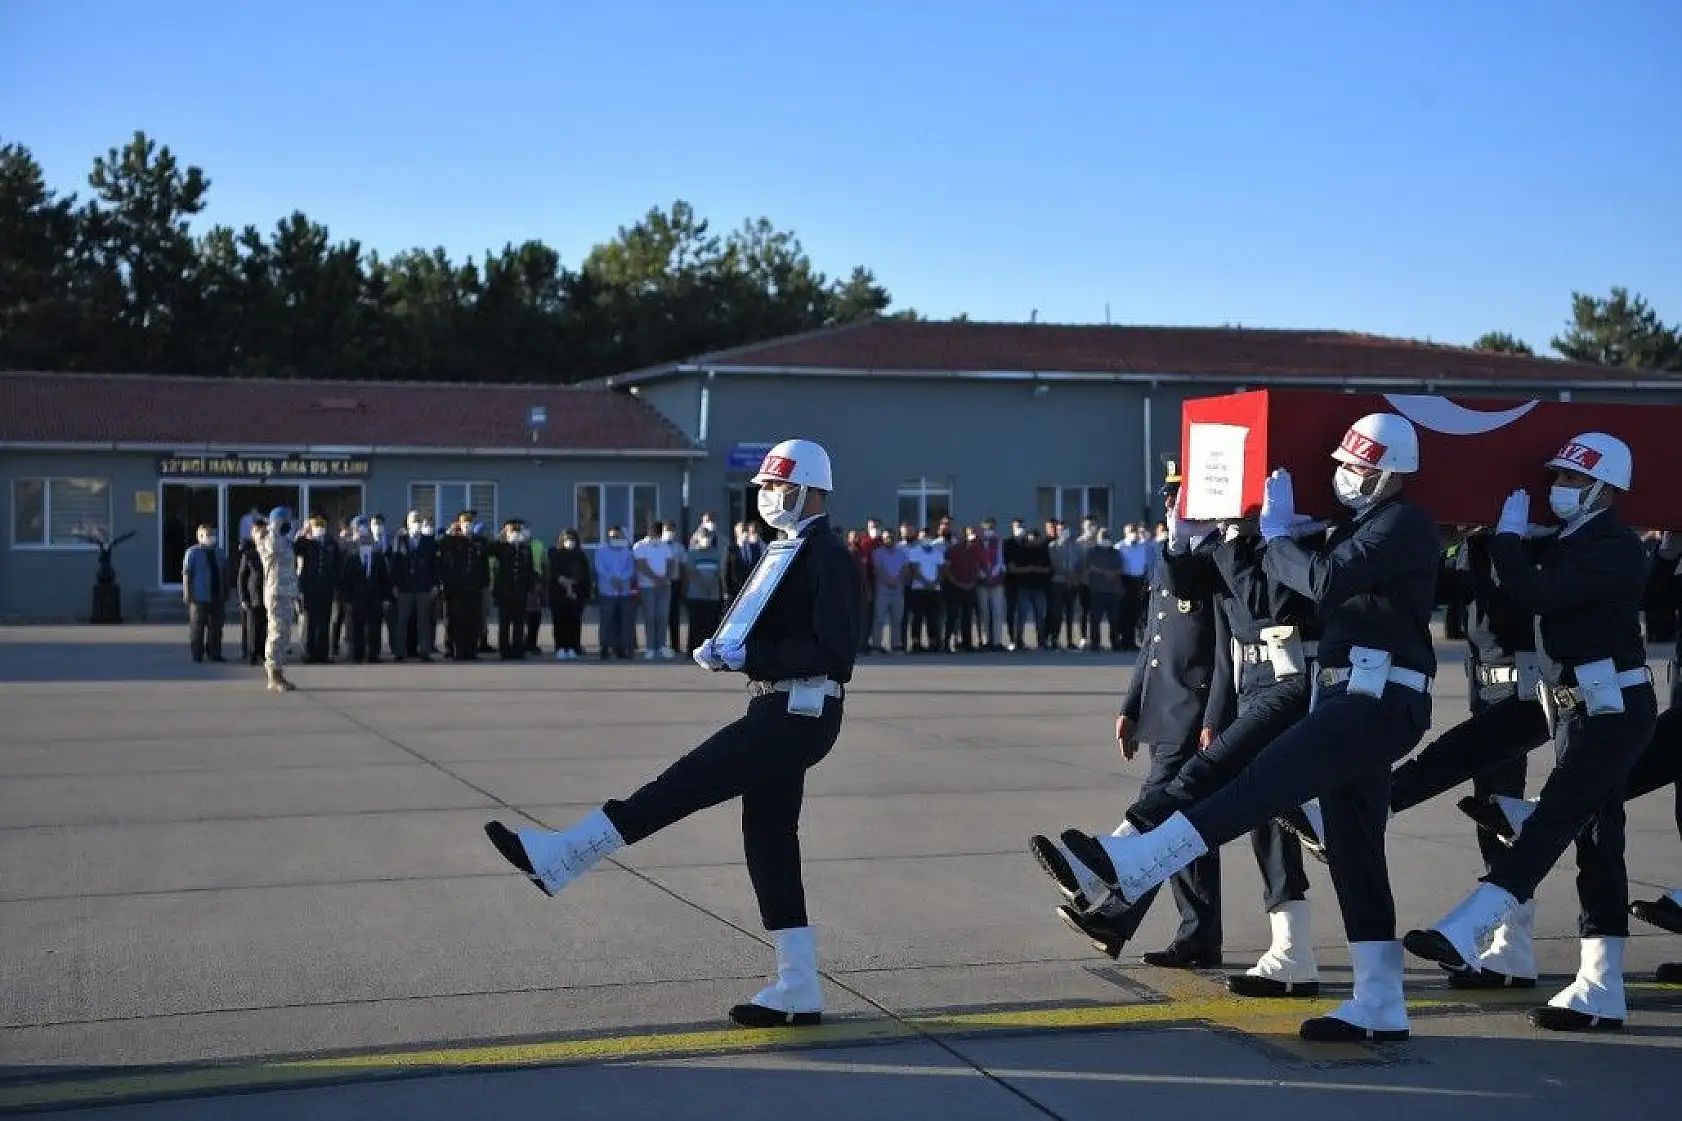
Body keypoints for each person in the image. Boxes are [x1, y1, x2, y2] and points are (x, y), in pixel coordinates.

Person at [1049, 412, 1441, 1043]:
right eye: (1343, 465)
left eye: (1360, 468)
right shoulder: (1356, 526)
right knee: (1357, 853)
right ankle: (1379, 999)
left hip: (1378, 701)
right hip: (1346, 697)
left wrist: (1279, 533)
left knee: (1259, 784)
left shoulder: (1404, 524)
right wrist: (1222, 537)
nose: (1346, 477)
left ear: (1392, 474)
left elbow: (1322, 582)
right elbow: (1257, 592)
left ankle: (1134, 862)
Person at [484, 438, 861, 1028]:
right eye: (762, 488)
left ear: (812, 490)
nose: (767, 498)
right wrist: (734, 652)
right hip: (778, 708)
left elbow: (836, 654)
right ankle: (799, 986)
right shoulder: (787, 550)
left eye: (778, 488)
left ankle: (565, 855)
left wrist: (749, 654)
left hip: (800, 711)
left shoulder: (828, 556)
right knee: (768, 842)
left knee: (684, 784)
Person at [1404, 432, 1657, 1032]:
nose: (1559, 489)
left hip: (1615, 707)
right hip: (1575, 708)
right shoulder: (1566, 540)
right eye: (1559, 478)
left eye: (1573, 481)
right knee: (1595, 838)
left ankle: (1472, 927)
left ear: (1605, 490)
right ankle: (1600, 984)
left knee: (1554, 824)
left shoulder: (1616, 547)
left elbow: (1540, 596)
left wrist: (1513, 541)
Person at [1031, 471, 1228, 969]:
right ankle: (1194, 932)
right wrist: (1130, 706)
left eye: (1181, 494)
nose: (1170, 502)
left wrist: (1217, 714)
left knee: (1158, 811)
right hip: (1163, 708)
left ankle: (1103, 893)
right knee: (1183, 826)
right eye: (1167, 494)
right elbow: (1154, 639)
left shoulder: (1217, 555)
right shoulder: (1172, 551)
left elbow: (1227, 649)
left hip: (1196, 710)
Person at [253, 506, 301, 692]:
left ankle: (278, 670)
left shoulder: (284, 541)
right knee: (276, 633)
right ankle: (273, 673)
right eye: (285, 521)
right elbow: (273, 547)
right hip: (275, 593)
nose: (289, 525)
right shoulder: (267, 540)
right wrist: (274, 526)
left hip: (287, 592)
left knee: (285, 633)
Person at [181, 524, 226, 663]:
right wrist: (187, 593)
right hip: (199, 596)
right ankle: (197, 654)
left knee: (216, 627)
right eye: (208, 535)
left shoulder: (219, 552)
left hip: (216, 595)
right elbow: (187, 574)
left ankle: (214, 653)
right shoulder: (192, 552)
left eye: (213, 535)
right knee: (198, 626)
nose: (211, 538)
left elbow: (224, 572)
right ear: (200, 537)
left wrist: (225, 591)